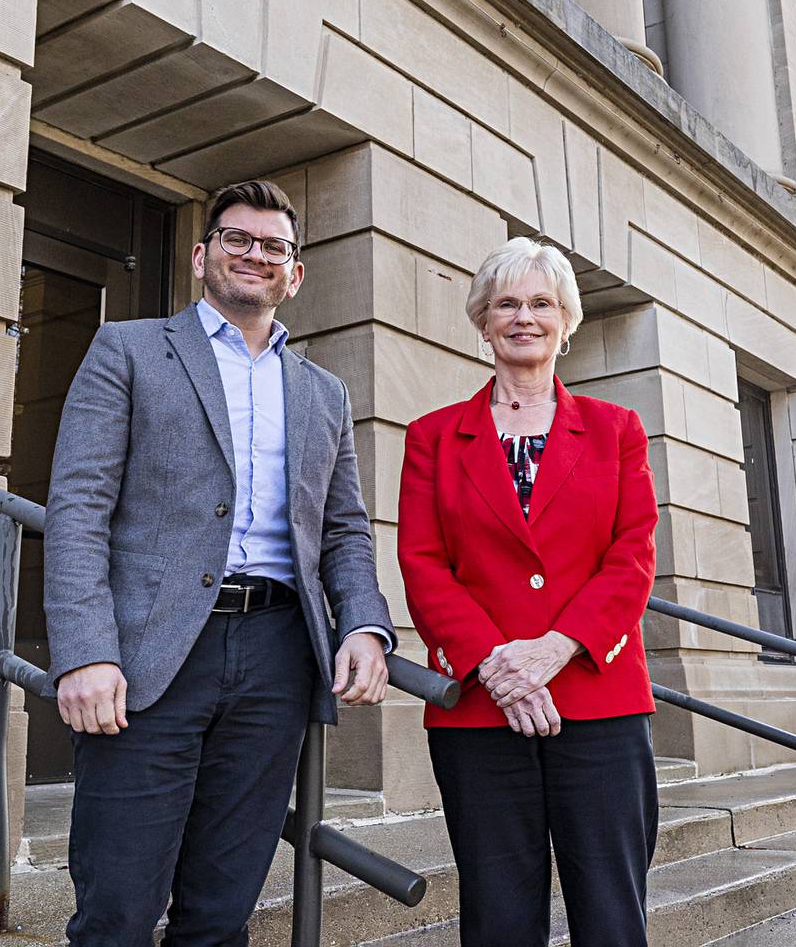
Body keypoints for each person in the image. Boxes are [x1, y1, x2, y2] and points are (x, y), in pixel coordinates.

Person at [44, 180, 396, 947]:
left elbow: (344, 531)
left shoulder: (323, 393)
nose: (255, 256)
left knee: (221, 912)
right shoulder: (129, 350)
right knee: (118, 910)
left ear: (294, 274)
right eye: (238, 239)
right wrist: (85, 652)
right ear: (202, 256)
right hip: (149, 656)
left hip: (276, 662)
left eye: (273, 247)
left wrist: (366, 626)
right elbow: (77, 509)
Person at [397, 236, 660, 946]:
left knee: (611, 913)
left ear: (566, 321)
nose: (524, 317)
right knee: (498, 916)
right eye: (506, 303)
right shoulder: (430, 437)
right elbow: (422, 563)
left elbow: (632, 556)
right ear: (483, 321)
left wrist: (553, 650)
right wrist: (498, 666)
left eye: (541, 303)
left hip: (598, 701)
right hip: (481, 712)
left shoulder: (616, 432)